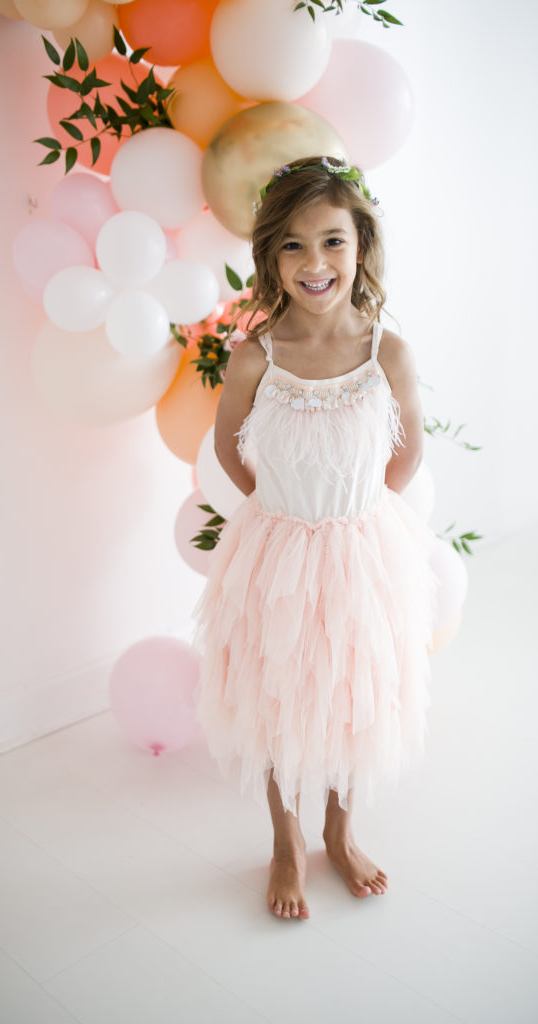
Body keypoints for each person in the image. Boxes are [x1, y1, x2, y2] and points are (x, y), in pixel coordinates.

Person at [193, 156, 438, 921]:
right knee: (277, 699)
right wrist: (287, 511)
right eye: (293, 246)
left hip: (362, 550)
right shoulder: (255, 358)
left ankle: (338, 829)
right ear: (269, 257)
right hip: (278, 552)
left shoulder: (385, 353)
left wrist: (356, 513)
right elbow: (231, 449)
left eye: (332, 241)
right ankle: (285, 840)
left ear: (360, 245)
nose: (314, 263)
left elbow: (408, 451)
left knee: (350, 697)